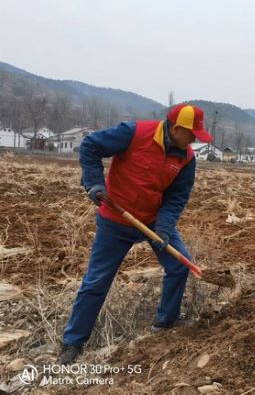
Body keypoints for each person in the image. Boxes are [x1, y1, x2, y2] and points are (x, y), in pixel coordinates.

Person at [59, 104, 212, 365]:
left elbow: (177, 197)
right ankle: (73, 342)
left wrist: (163, 228)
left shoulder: (186, 158)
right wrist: (94, 182)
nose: (195, 139)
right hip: (116, 219)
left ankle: (166, 323)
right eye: (192, 133)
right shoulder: (134, 133)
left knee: (179, 266)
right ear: (176, 129)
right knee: (97, 281)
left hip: (153, 221)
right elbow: (90, 147)